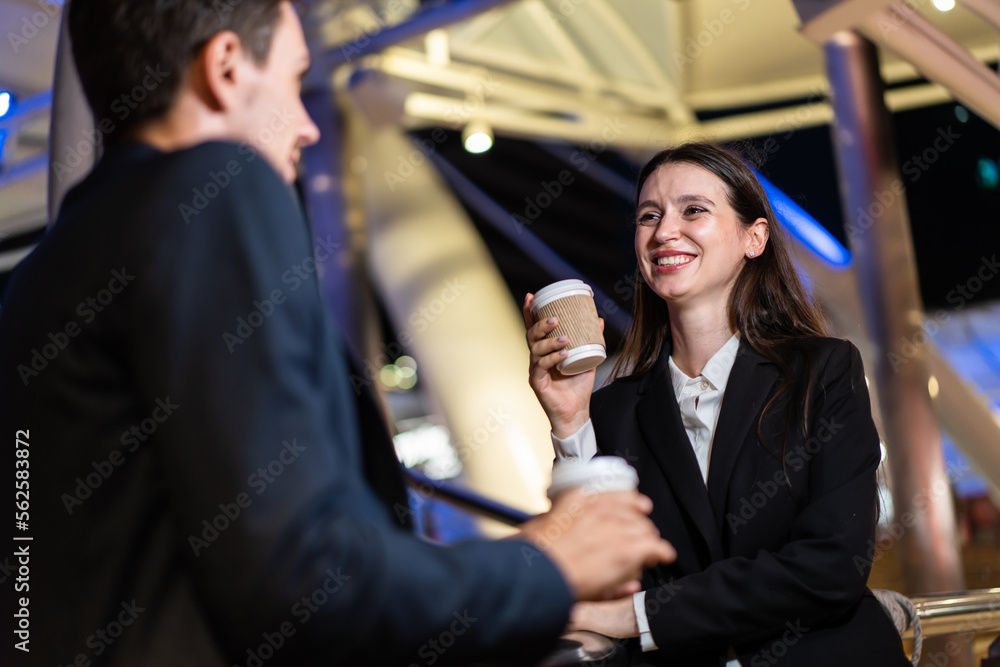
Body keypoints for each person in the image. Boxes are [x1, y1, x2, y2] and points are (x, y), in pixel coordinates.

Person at [0, 2, 676, 665]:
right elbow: (305, 582)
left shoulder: (38, 280)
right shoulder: (217, 184)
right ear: (226, 68)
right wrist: (548, 566)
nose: (307, 127)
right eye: (293, 83)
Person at [524, 143, 911, 666]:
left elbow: (831, 566)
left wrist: (640, 617)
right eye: (648, 216)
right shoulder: (613, 409)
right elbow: (602, 567)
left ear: (754, 238)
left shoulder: (822, 371)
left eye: (693, 210)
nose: (664, 232)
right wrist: (570, 419)